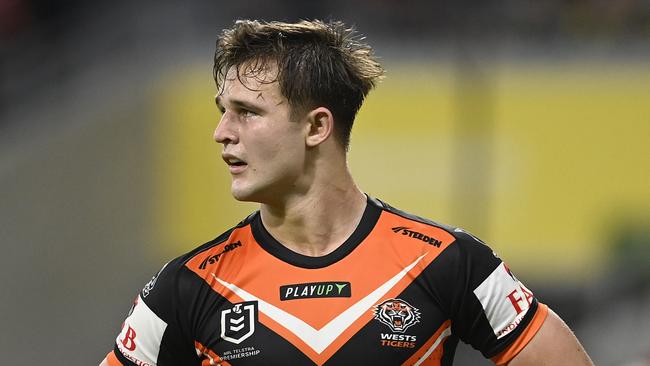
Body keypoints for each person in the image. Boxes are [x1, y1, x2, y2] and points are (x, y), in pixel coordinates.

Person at [101, 19, 594, 366]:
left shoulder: (448, 262)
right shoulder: (189, 286)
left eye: (247, 112)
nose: (221, 132)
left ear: (317, 126)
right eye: (221, 111)